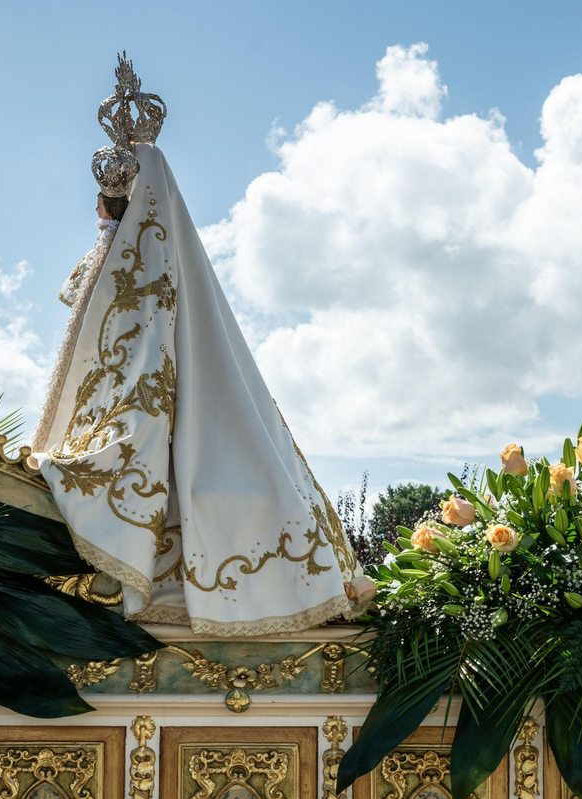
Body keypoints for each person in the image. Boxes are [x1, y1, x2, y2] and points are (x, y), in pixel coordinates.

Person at [30, 54, 358, 636]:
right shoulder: (134, 258)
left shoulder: (137, 264)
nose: (100, 207)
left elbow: (132, 366)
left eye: (107, 200)